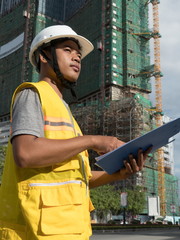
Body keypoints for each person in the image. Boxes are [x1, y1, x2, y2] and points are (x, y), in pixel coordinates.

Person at [0, 25, 151, 240]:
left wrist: (120, 174)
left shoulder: (64, 110)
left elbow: (79, 178)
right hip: (33, 231)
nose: (77, 57)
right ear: (44, 56)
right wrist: (92, 140)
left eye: (78, 54)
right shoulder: (32, 94)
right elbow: (26, 153)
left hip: (67, 230)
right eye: (68, 50)